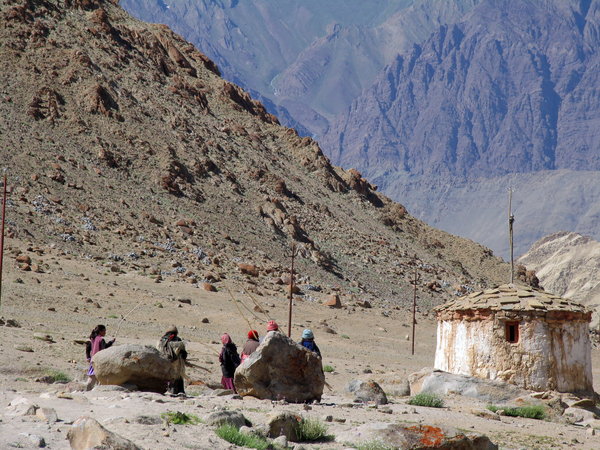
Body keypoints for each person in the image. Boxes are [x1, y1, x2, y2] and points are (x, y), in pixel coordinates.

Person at [158, 325, 187, 396]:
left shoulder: (162, 341)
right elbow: (184, 354)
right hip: (177, 364)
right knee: (178, 377)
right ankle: (179, 391)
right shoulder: (178, 341)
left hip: (165, 363)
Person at [86, 325, 115, 391]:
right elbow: (105, 346)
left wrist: (88, 358)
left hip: (92, 360)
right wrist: (111, 341)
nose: (105, 332)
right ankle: (88, 389)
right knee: (96, 376)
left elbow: (88, 349)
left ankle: (92, 388)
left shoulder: (92, 339)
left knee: (92, 375)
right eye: (104, 331)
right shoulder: (100, 339)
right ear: (100, 331)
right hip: (99, 360)